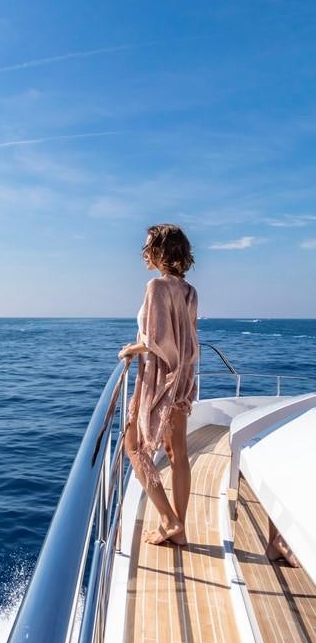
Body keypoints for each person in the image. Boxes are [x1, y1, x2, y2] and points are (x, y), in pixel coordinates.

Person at [118, 223, 198, 546]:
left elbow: (156, 341)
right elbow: (187, 341)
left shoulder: (156, 287)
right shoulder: (190, 291)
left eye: (148, 246)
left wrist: (130, 349)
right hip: (182, 379)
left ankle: (167, 519)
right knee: (177, 452)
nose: (144, 252)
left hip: (158, 380)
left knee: (133, 446)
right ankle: (180, 528)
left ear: (160, 251)